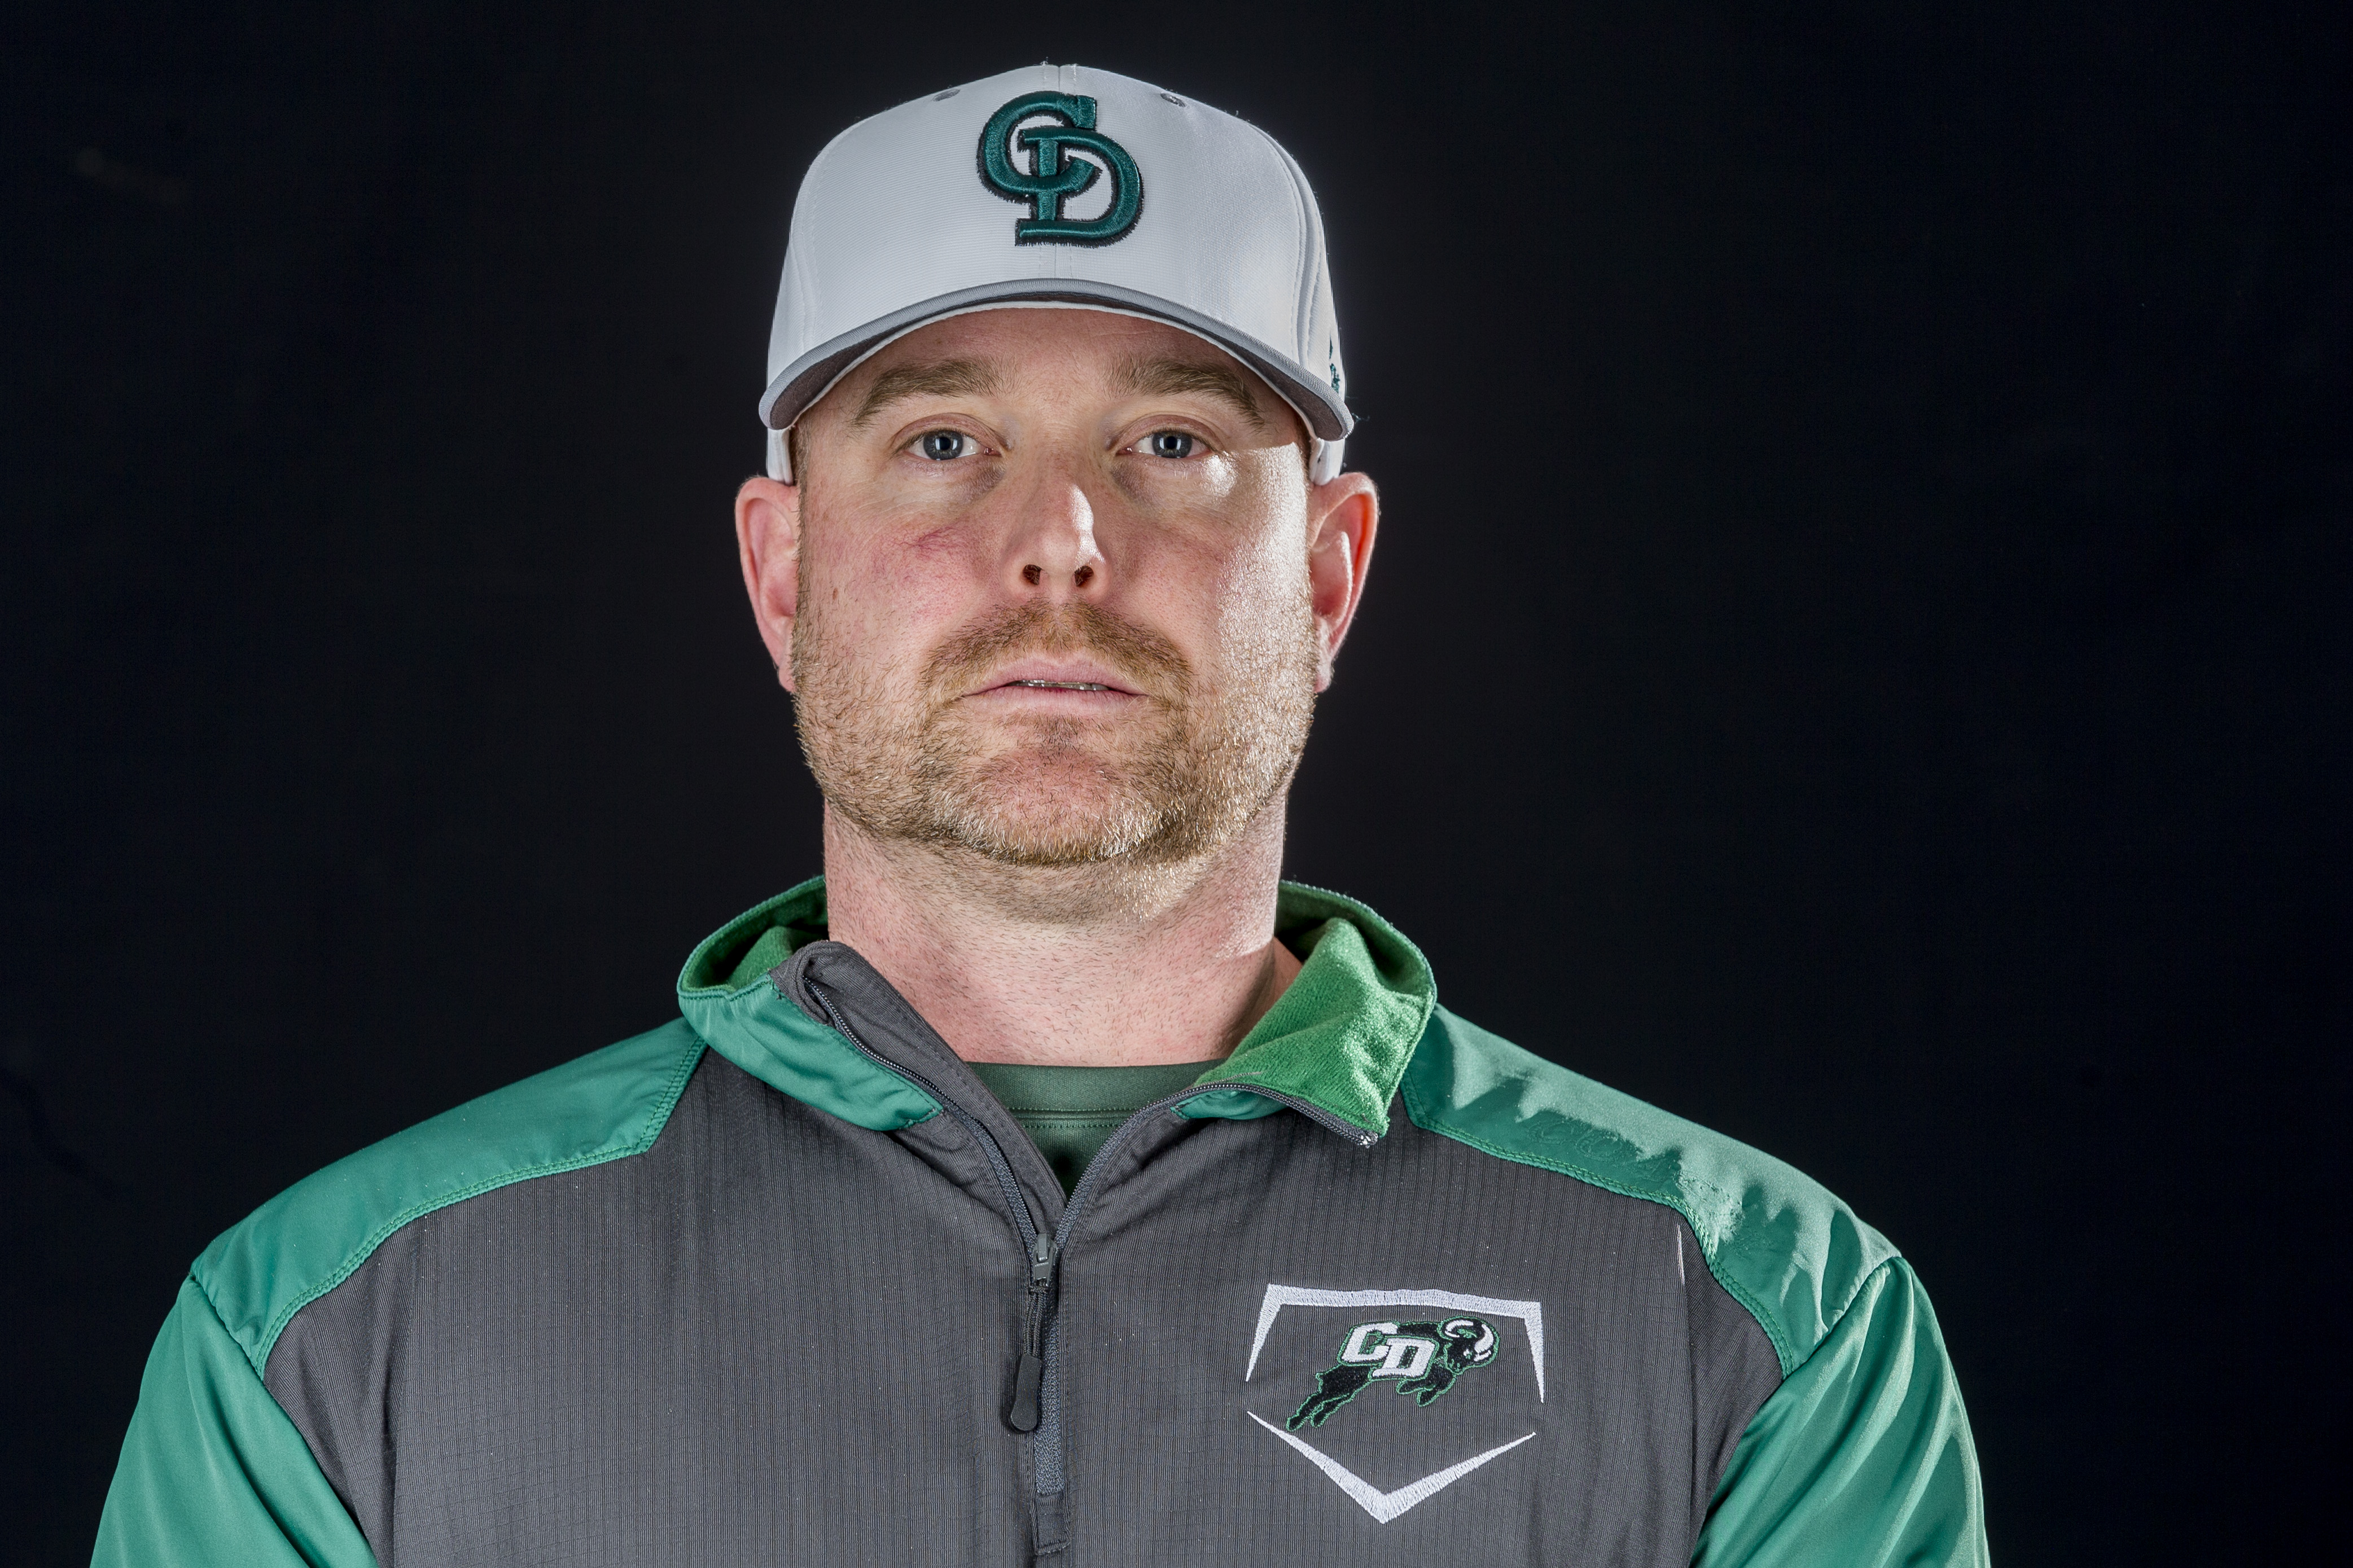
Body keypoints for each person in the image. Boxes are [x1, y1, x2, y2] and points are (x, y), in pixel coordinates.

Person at [93, 63, 1987, 1566]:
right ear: (781, 573)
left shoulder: (1752, 1315)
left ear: (1328, 575)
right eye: (943, 443)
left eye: (1170, 443)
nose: (1059, 544)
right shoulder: (333, 1340)